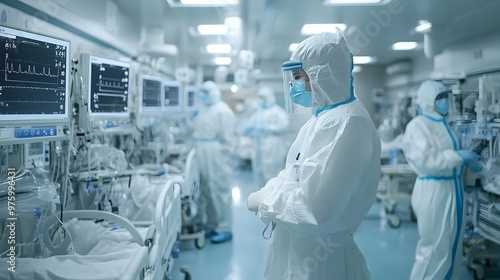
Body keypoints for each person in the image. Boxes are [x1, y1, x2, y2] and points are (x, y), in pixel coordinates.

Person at [246, 30, 381, 279]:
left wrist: (266, 201)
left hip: (321, 259)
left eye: (299, 77)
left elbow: (317, 210)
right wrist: (271, 188)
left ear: (322, 74)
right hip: (299, 247)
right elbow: (293, 173)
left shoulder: (346, 123)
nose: (294, 86)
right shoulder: (321, 118)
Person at [401, 80, 482, 280]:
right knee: (433, 249)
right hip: (434, 190)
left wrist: (468, 162)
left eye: (446, 97)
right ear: (428, 101)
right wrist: (459, 157)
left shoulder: (442, 124)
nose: (445, 102)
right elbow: (426, 160)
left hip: (452, 189)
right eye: (439, 98)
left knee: (451, 247)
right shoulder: (418, 126)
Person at [192, 80, 236, 243]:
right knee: (206, 190)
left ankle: (225, 227)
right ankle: (211, 223)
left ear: (213, 92)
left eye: (206, 92)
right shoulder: (204, 109)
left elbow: (227, 138)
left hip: (216, 153)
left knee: (219, 190)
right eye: (201, 92)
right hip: (201, 149)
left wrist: (223, 157)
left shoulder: (222, 111)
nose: (203, 95)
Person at [244, 86, 290, 187]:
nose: (260, 100)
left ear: (269, 98)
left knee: (272, 173)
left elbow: (284, 126)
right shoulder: (258, 113)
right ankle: (260, 199)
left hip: (273, 146)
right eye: (259, 97)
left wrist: (266, 127)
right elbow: (248, 127)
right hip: (258, 147)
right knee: (259, 172)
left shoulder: (277, 111)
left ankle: (272, 198)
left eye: (263, 97)